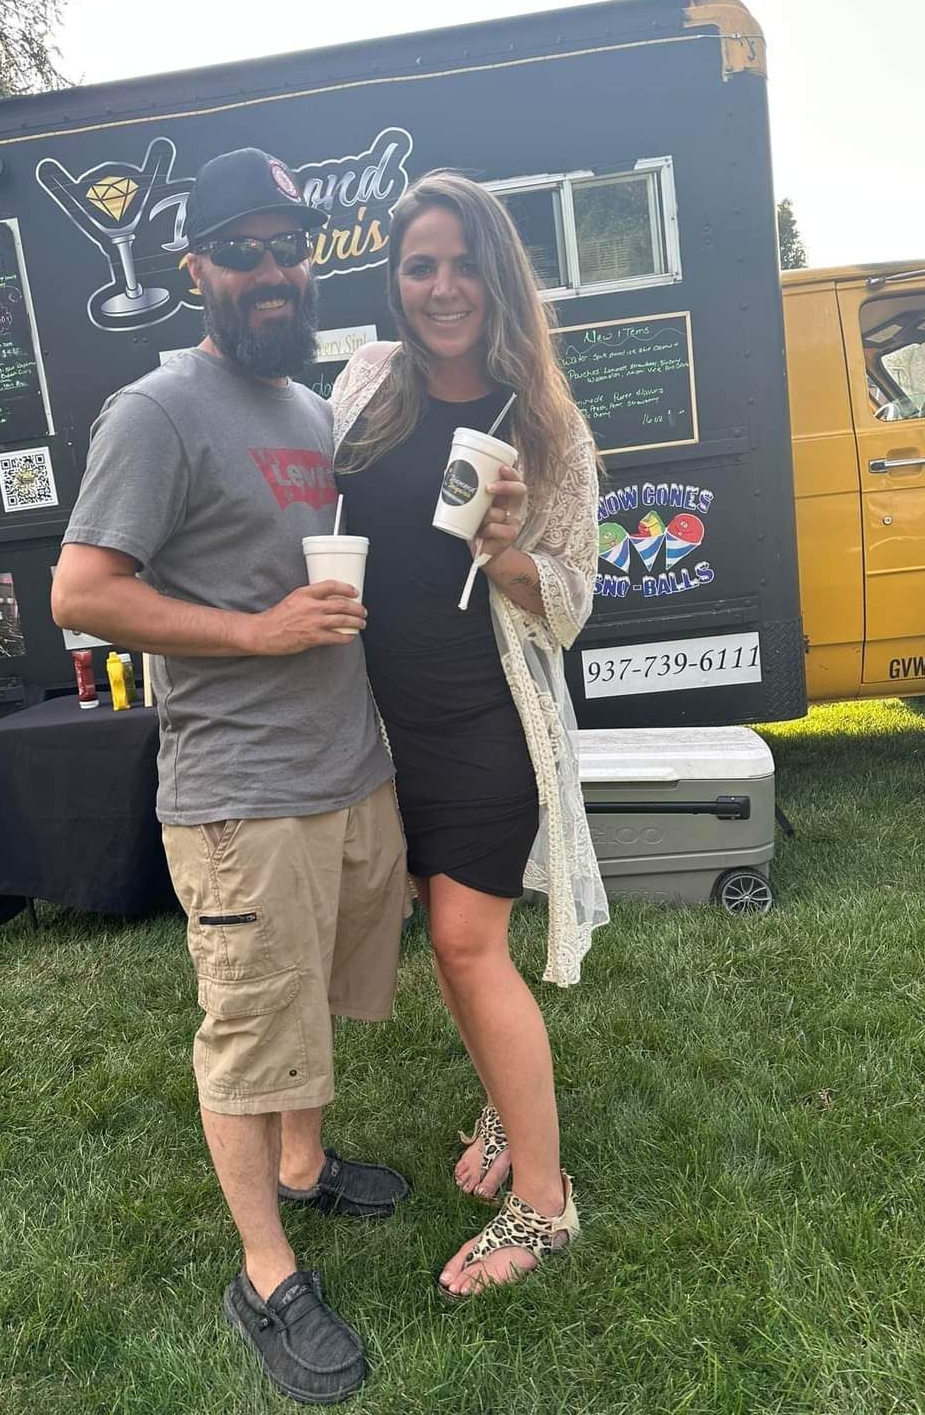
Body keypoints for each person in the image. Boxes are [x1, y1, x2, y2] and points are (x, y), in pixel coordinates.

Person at [52, 147, 409, 1407]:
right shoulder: (155, 411)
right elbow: (83, 593)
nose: (272, 270)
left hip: (348, 769)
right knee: (251, 1031)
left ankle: (305, 1170)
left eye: (289, 247)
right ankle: (265, 1273)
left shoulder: (311, 409)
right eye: (243, 250)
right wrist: (259, 633)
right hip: (242, 793)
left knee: (313, 996)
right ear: (194, 266)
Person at [332, 170, 609, 1299]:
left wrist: (505, 549)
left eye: (462, 265)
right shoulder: (366, 386)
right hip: (380, 731)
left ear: (498, 276)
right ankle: (505, 1103)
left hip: (488, 727)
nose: (442, 288)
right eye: (419, 266)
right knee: (451, 944)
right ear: (396, 280)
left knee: (464, 943)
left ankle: (545, 1205)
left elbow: (575, 601)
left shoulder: (542, 420)